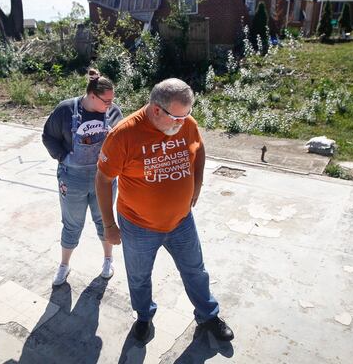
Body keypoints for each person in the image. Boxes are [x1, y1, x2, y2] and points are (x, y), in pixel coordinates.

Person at [95, 78, 234, 342]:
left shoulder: (186, 124)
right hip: (138, 226)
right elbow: (103, 179)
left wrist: (198, 184)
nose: (182, 124)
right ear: (156, 109)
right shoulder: (123, 135)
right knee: (139, 277)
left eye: (187, 116)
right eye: (177, 118)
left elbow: (199, 148)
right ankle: (144, 317)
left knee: (196, 270)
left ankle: (208, 315)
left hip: (181, 221)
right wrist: (109, 225)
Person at [42, 69, 123, 286]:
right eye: (106, 101)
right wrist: (63, 157)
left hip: (104, 180)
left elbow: (122, 142)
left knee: (104, 221)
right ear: (92, 96)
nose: (110, 105)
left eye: (112, 100)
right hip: (72, 178)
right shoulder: (66, 109)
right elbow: (48, 136)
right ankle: (64, 265)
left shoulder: (114, 113)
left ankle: (108, 260)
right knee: (72, 224)